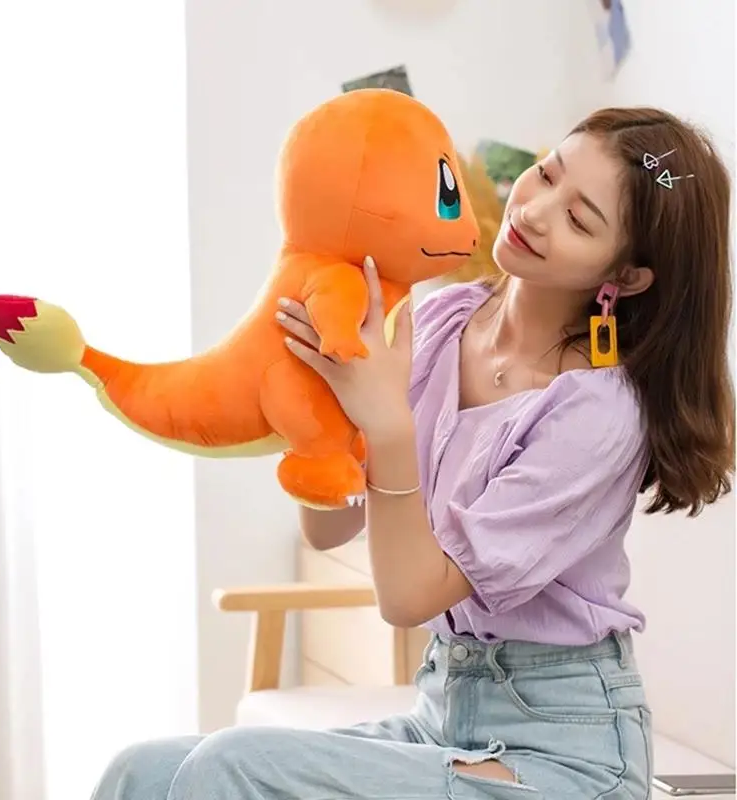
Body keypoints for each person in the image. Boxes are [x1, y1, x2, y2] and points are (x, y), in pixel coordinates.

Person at [90, 106, 734, 799]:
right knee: (142, 771)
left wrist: (388, 425)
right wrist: (320, 407)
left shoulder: (599, 411)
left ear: (628, 277)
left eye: (579, 220)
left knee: (231, 766)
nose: (535, 211)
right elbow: (329, 525)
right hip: (442, 716)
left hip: (565, 754)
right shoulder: (440, 319)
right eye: (546, 175)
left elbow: (408, 597)